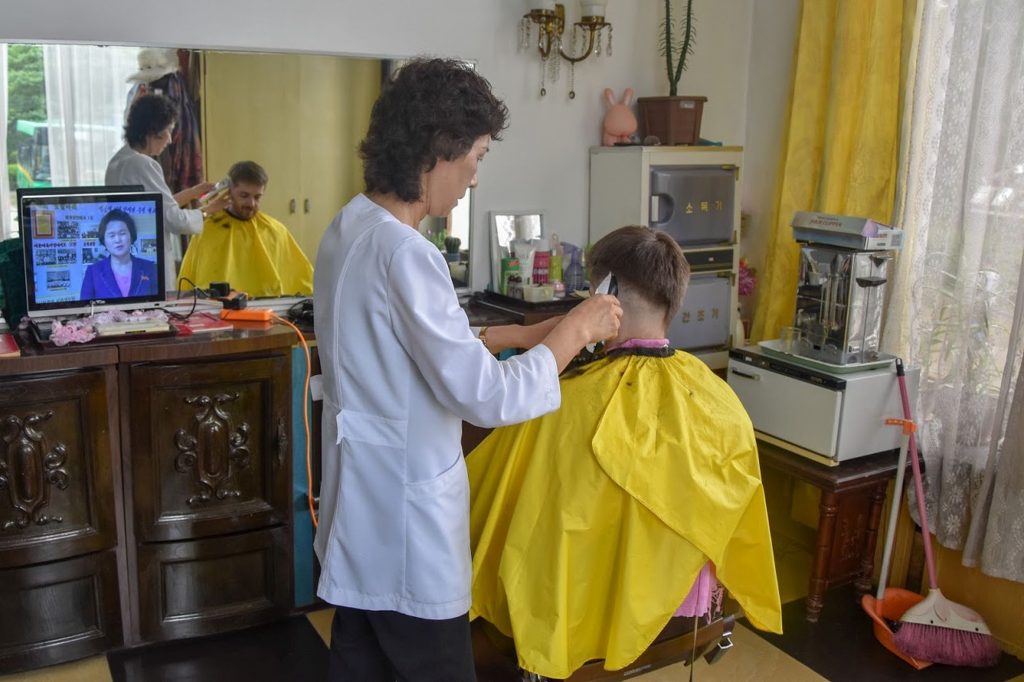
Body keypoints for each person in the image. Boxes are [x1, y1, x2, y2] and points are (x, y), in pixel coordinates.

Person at [312, 58, 622, 682]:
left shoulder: (350, 227)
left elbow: (405, 348)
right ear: (438, 151)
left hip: (363, 506)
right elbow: (486, 399)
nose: (476, 178)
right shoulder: (409, 255)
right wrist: (576, 331)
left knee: (361, 661)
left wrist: (523, 334)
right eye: (477, 157)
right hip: (405, 524)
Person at [467, 226, 783, 679]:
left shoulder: (564, 401)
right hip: (684, 613)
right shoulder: (719, 401)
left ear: (603, 292)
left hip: (578, 611)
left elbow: (492, 513)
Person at [105, 93, 230, 292]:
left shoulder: (118, 161)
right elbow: (174, 220)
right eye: (168, 131)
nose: (170, 140)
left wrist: (193, 192)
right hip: (146, 257)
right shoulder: (143, 164)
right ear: (152, 132)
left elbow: (154, 207)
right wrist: (209, 210)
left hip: (126, 255)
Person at [178, 161, 313, 297]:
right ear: (229, 192)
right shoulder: (207, 229)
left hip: (267, 310)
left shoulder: (276, 231)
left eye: (257, 197)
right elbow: (187, 287)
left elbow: (303, 283)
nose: (251, 203)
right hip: (218, 310)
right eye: (244, 196)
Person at [80, 208, 158, 300]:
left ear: (131, 236)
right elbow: (84, 309)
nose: (118, 240)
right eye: (112, 235)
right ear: (104, 240)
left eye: (122, 233)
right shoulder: (93, 271)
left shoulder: (150, 268)